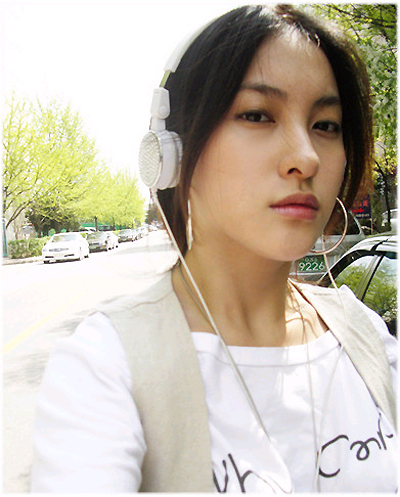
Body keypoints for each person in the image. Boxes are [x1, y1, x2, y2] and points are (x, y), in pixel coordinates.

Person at [30, 4, 397, 493]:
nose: (306, 157)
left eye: (326, 125)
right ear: (172, 154)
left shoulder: (365, 335)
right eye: (257, 115)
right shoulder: (106, 367)